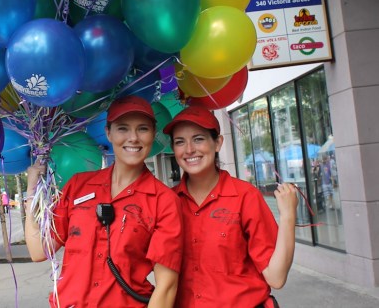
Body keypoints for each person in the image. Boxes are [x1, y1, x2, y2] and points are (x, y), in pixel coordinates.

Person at [25, 95, 183, 307]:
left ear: (153, 134)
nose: (133, 138)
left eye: (143, 129)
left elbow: (166, 287)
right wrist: (32, 192)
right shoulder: (78, 185)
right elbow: (39, 250)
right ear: (108, 133)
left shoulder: (164, 200)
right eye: (123, 128)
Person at [163, 106, 298, 308]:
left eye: (198, 139)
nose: (189, 149)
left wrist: (288, 216)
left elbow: (276, 277)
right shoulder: (168, 202)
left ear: (218, 143)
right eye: (180, 142)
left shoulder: (245, 196)